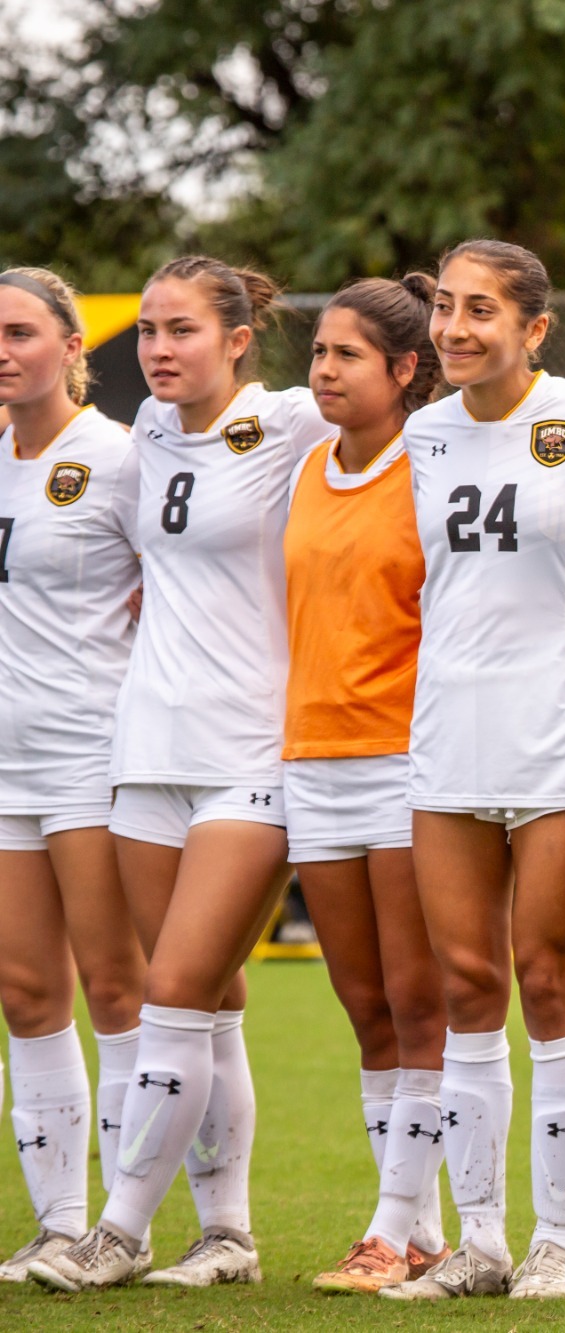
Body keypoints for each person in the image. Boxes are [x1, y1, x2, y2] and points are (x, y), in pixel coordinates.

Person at [29, 257, 329, 1293]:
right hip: (146, 749)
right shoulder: (145, 433)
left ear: (239, 338)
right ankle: (229, 1234)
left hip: (254, 748)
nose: (158, 348)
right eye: (150, 329)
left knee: (173, 990)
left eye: (183, 330)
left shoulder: (293, 421)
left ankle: (114, 1230)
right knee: (207, 1002)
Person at [377, 240, 565, 1303]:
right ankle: (480, 1238)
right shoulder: (423, 432)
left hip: (562, 724)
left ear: (533, 327)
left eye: (481, 310)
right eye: (443, 308)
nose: (455, 328)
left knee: (546, 976)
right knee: (466, 984)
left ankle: (555, 1242)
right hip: (447, 732)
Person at [280, 277, 452, 1295]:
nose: (324, 371)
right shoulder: (302, 468)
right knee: (365, 1010)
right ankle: (416, 1224)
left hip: (407, 761)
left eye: (347, 355)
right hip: (312, 761)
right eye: (317, 354)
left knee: (419, 1004)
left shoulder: (430, 466)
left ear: (402, 371)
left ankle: (392, 1229)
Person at [0, 267, 149, 1281]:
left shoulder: (120, 458)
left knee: (117, 985)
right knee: (24, 989)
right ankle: (60, 1219)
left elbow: (181, 587)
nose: (3, 351)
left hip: (95, 751)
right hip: (7, 759)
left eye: (19, 333)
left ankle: (132, 1224)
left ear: (71, 347)